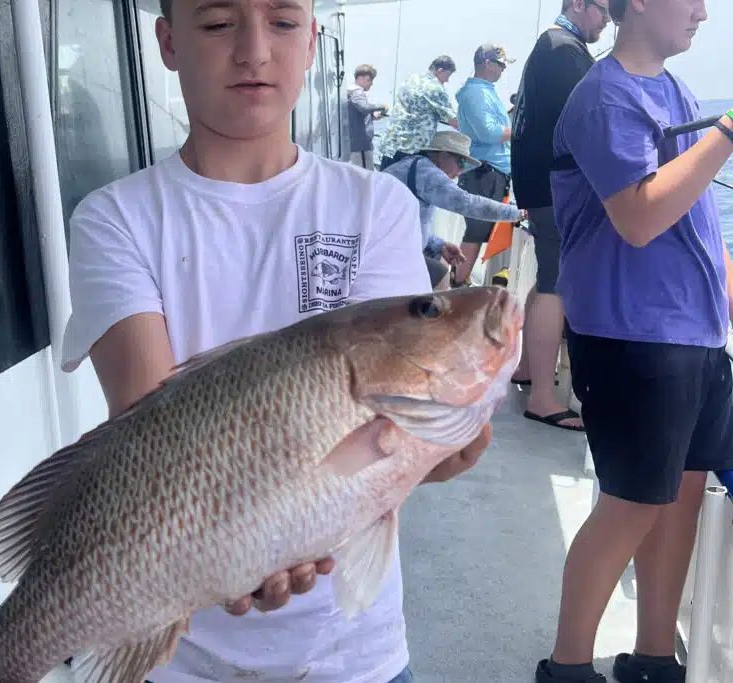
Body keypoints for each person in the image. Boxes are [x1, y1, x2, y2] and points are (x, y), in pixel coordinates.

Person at [59, 2, 495, 683]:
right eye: (217, 23)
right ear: (168, 42)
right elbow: (144, 435)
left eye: (284, 22)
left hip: (359, 658)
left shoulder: (375, 206)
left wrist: (439, 448)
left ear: (313, 39)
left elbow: (392, 450)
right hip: (182, 660)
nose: (253, 50)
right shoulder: (116, 219)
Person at [537, 1, 733, 682]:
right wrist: (729, 133)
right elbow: (641, 215)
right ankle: (566, 666)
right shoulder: (602, 97)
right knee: (630, 501)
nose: (704, 13)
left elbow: (700, 211)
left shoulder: (675, 91)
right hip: (635, 336)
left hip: (697, 336)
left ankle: (654, 658)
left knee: (679, 497)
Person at [509, 0, 610, 433]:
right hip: (558, 188)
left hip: (538, 185)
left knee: (547, 275)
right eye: (605, 10)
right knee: (558, 282)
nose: (609, 19)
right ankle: (543, 398)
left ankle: (527, 368)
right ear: (580, 4)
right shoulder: (564, 49)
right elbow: (591, 120)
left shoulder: (548, 46)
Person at [384, 130, 524, 290]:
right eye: (460, 162)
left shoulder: (414, 166)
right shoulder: (428, 174)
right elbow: (468, 204)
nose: (459, 172)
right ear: (443, 155)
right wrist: (517, 213)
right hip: (388, 252)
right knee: (440, 274)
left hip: (388, 244)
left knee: (439, 261)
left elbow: (407, 226)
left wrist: (439, 245)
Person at [451, 43, 514, 287]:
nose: (502, 69)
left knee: (488, 231)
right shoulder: (476, 93)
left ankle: (461, 283)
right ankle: (456, 284)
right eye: (500, 64)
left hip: (492, 172)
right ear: (487, 63)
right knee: (477, 232)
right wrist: (522, 132)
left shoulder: (484, 91)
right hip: (485, 173)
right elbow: (488, 132)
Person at [376, 55, 460, 171]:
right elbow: (454, 121)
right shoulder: (435, 88)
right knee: (406, 188)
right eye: (448, 76)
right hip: (410, 150)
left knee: (385, 186)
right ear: (440, 71)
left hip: (391, 145)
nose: (447, 80)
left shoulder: (412, 79)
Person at [346, 64, 388, 170]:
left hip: (361, 145)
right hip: (361, 146)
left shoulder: (355, 93)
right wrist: (382, 106)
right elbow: (364, 107)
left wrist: (373, 116)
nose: (371, 84)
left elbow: (360, 112)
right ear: (360, 78)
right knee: (365, 175)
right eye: (369, 80)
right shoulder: (356, 92)